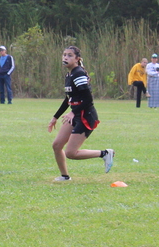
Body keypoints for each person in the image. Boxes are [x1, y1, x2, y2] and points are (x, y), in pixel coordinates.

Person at [48, 46, 115, 181]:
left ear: (77, 59)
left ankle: (105, 153)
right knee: (57, 145)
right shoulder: (69, 74)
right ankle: (65, 176)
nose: (65, 57)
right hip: (77, 114)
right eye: (64, 55)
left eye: (70, 55)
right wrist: (55, 117)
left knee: (71, 153)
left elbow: (88, 99)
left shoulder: (78, 73)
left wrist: (73, 113)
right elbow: (69, 99)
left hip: (86, 116)